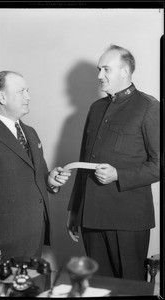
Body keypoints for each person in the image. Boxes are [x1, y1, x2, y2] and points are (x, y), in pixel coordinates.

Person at [67, 45, 160, 281]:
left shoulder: (149, 107)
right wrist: (75, 210)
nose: (99, 75)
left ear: (125, 72)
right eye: (99, 69)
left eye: (106, 69)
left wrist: (119, 175)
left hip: (128, 221)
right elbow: (84, 161)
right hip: (91, 218)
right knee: (97, 285)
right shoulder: (96, 109)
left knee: (129, 287)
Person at [0, 70, 71, 260]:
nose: (28, 97)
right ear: (2, 97)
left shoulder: (31, 133)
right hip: (4, 243)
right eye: (22, 91)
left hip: (35, 237)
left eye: (27, 91)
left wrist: (51, 180)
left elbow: (38, 176)